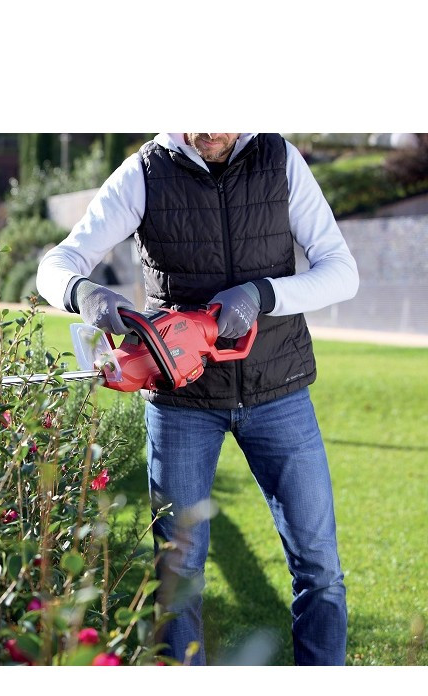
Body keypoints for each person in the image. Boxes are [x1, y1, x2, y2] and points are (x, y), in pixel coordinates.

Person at [36, 133, 359, 666]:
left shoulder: (280, 161)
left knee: (319, 566)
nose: (207, 128)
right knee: (178, 572)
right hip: (180, 400)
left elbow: (341, 272)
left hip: (278, 388)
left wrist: (263, 294)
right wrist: (84, 293)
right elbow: (57, 263)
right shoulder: (144, 172)